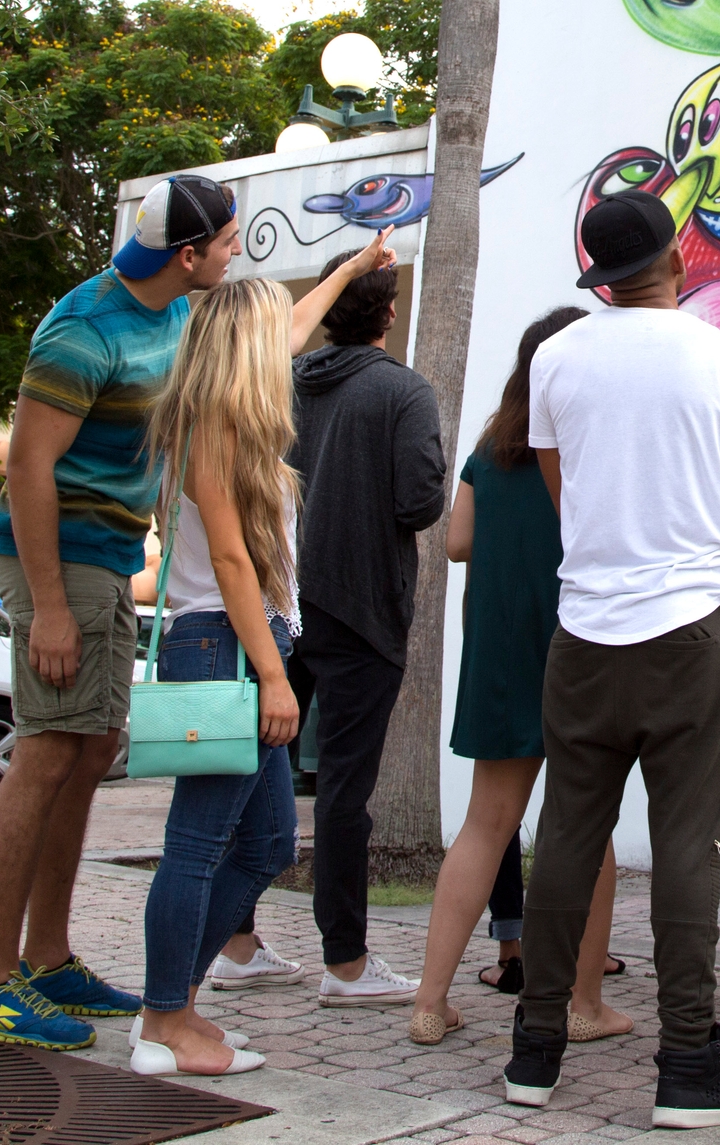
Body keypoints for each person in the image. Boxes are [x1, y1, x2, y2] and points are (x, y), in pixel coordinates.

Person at [504, 190, 720, 1130]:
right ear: (676, 259)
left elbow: (564, 494)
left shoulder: (554, 356)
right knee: (686, 842)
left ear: (600, 276)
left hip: (584, 629)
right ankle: (686, 1058)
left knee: (569, 836)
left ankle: (534, 1048)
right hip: (691, 631)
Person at [0, 172, 240, 1048]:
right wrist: (48, 613)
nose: (233, 251)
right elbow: (27, 468)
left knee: (91, 746)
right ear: (188, 254)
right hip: (56, 554)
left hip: (108, 556)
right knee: (44, 752)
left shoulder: (176, 311)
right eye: (227, 240)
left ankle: (48, 958)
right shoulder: (84, 330)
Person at [408, 307, 632, 1047]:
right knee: (586, 829)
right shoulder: (589, 448)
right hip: (577, 650)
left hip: (500, 657)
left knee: (485, 825)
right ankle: (583, 1000)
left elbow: (458, 540)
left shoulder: (488, 449)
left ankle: (430, 1000)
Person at [128, 277, 309, 1077]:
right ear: (247, 347)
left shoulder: (225, 418)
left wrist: (353, 265)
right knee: (196, 846)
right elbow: (232, 560)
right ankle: (162, 1019)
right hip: (224, 646)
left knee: (267, 842)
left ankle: (174, 1007)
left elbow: (298, 324)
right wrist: (274, 675)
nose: (285, 348)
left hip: (239, 642)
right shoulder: (211, 429)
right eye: (272, 335)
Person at [291, 246, 449, 1005]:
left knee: (249, 775)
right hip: (362, 610)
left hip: (279, 606)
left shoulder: (284, 383)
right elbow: (420, 503)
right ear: (389, 312)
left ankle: (237, 943)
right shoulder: (403, 391)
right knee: (344, 794)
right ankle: (344, 963)